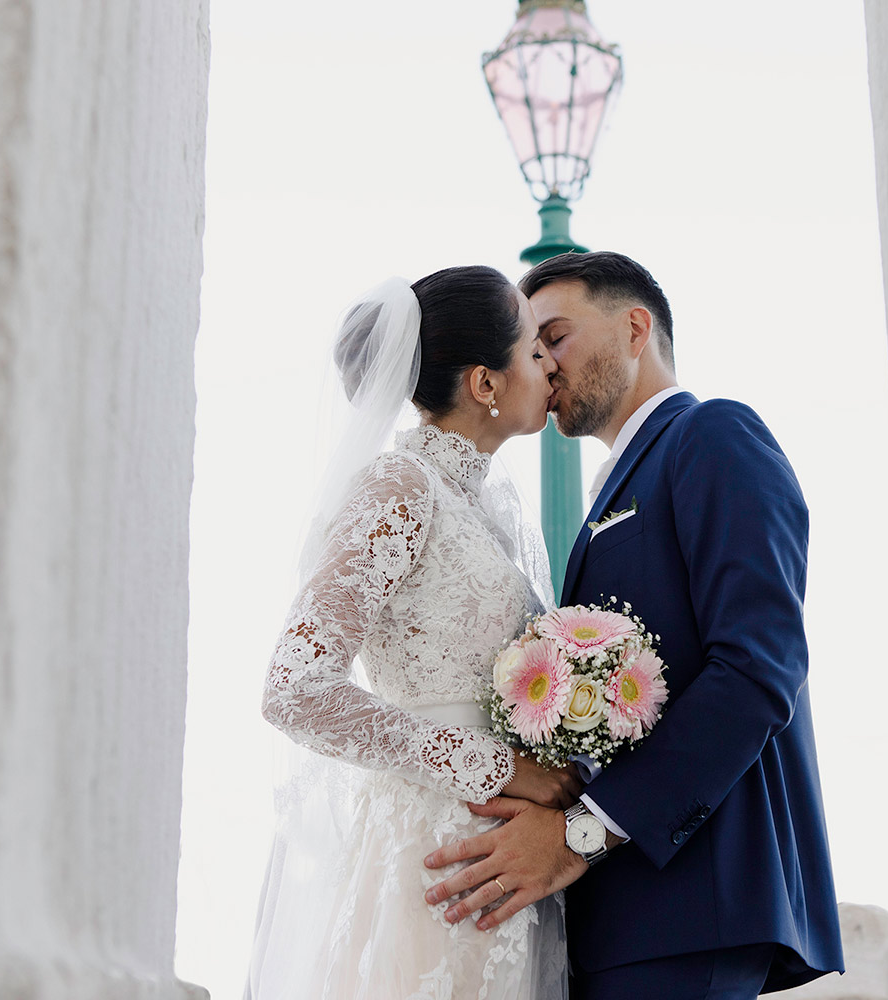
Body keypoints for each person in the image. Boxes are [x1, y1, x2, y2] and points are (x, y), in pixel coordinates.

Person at [423, 252, 846, 999]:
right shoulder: (610, 493)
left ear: (634, 328)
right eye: (531, 346)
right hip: (617, 916)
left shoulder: (713, 434)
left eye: (554, 335)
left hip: (692, 901)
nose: (542, 365)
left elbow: (758, 668)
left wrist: (579, 836)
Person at [246, 265, 582, 999]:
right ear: (485, 383)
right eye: (532, 350)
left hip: (510, 856)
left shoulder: (499, 508)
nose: (550, 362)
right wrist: (495, 770)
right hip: (433, 848)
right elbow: (295, 690)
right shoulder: (398, 487)